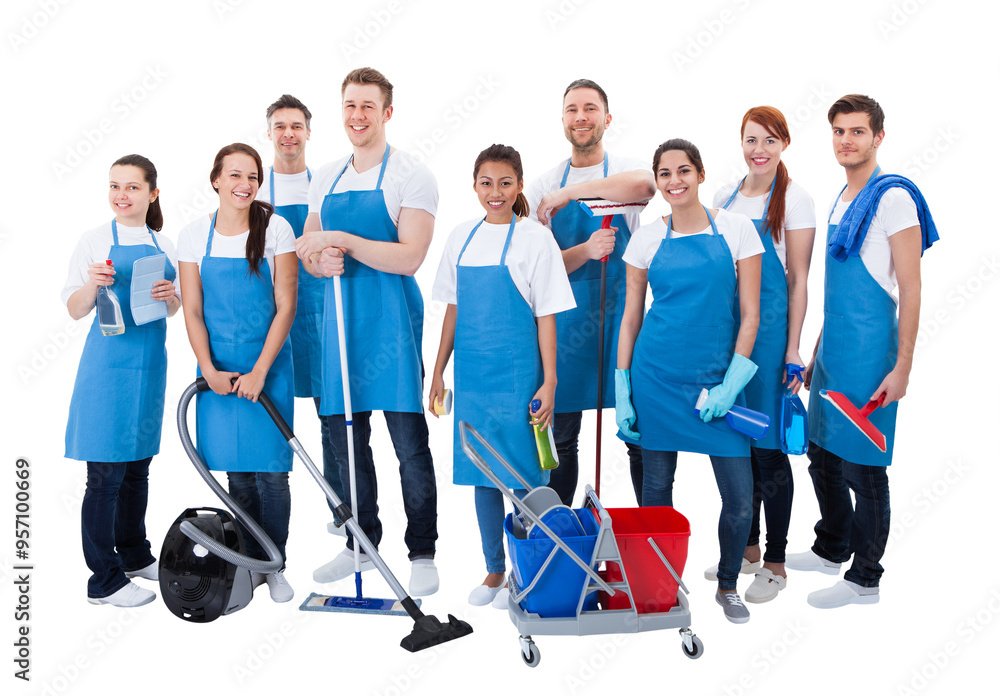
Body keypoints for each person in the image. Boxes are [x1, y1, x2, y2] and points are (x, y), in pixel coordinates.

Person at [788, 94, 937, 608]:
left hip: (873, 354)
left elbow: (912, 289)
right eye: (838, 131)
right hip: (835, 353)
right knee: (822, 455)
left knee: (863, 468)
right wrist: (815, 353)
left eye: (856, 131)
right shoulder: (842, 200)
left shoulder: (893, 199)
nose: (846, 140)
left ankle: (864, 578)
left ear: (878, 137)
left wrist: (903, 366)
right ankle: (832, 546)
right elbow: (837, 292)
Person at [295, 67, 439, 597]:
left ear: (387, 112)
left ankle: (422, 550)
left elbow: (409, 257)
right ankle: (360, 543)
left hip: (390, 325)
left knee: (409, 447)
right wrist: (319, 259)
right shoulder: (326, 176)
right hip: (339, 324)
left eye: (367, 106)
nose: (358, 116)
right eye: (350, 106)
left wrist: (341, 240)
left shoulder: (411, 174)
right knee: (347, 447)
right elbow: (308, 251)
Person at [617, 139, 763, 623]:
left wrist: (731, 385)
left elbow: (750, 315)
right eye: (664, 174)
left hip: (716, 380)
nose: (674, 181)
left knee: (740, 499)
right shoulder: (646, 239)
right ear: (657, 182)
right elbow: (631, 317)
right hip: (656, 377)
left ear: (700, 174)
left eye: (683, 171)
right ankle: (657, 584)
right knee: (656, 491)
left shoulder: (738, 230)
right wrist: (622, 386)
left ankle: (726, 584)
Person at [428, 144, 574, 606]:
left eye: (505, 183)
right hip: (473, 380)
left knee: (527, 477)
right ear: (474, 186)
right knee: (482, 474)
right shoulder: (460, 238)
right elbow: (453, 309)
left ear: (519, 186)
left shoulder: (534, 238)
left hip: (518, 378)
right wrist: (437, 372)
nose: (496, 192)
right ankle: (494, 571)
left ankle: (534, 566)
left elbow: (547, 315)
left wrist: (549, 381)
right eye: (486, 183)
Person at [526, 79, 655, 507]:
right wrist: (583, 251)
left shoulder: (624, 169)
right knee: (562, 438)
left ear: (607, 118)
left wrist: (571, 193)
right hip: (565, 328)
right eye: (572, 109)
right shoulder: (541, 184)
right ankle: (563, 540)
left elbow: (645, 186)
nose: (581, 116)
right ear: (562, 119)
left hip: (622, 320)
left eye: (590, 108)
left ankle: (646, 533)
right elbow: (536, 270)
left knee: (637, 433)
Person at [177, 143, 297, 603]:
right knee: (237, 475)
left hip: (267, 366)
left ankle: (277, 563)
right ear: (216, 180)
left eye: (252, 177)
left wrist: (261, 370)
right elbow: (192, 310)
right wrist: (208, 369)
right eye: (234, 175)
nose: (244, 184)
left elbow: (286, 305)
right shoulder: (194, 235)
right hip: (218, 371)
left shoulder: (276, 230)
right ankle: (249, 562)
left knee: (272, 474)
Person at [706, 106, 816, 603]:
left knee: (769, 450)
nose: (759, 150)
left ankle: (775, 561)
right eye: (752, 140)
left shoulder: (795, 199)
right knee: (738, 443)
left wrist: (793, 347)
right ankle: (746, 549)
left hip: (770, 341)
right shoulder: (723, 197)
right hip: (731, 334)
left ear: (784, 145)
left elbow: (797, 280)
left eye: (770, 141)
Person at [63, 154, 180, 607]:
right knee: (106, 474)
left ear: (152, 193)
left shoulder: (164, 244)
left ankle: (134, 555)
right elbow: (74, 310)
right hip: (107, 371)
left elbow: (171, 311)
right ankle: (104, 580)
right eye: (114, 186)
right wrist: (92, 285)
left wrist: (171, 296)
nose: (121, 195)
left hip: (149, 367)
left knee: (137, 469)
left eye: (131, 187)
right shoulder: (93, 241)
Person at [257, 94, 347, 537]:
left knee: (332, 415)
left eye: (296, 126)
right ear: (269, 133)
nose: (288, 133)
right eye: (280, 126)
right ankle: (268, 517)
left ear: (309, 132)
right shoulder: (254, 192)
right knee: (273, 415)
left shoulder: (325, 185)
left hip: (325, 313)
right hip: (274, 318)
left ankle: (343, 509)